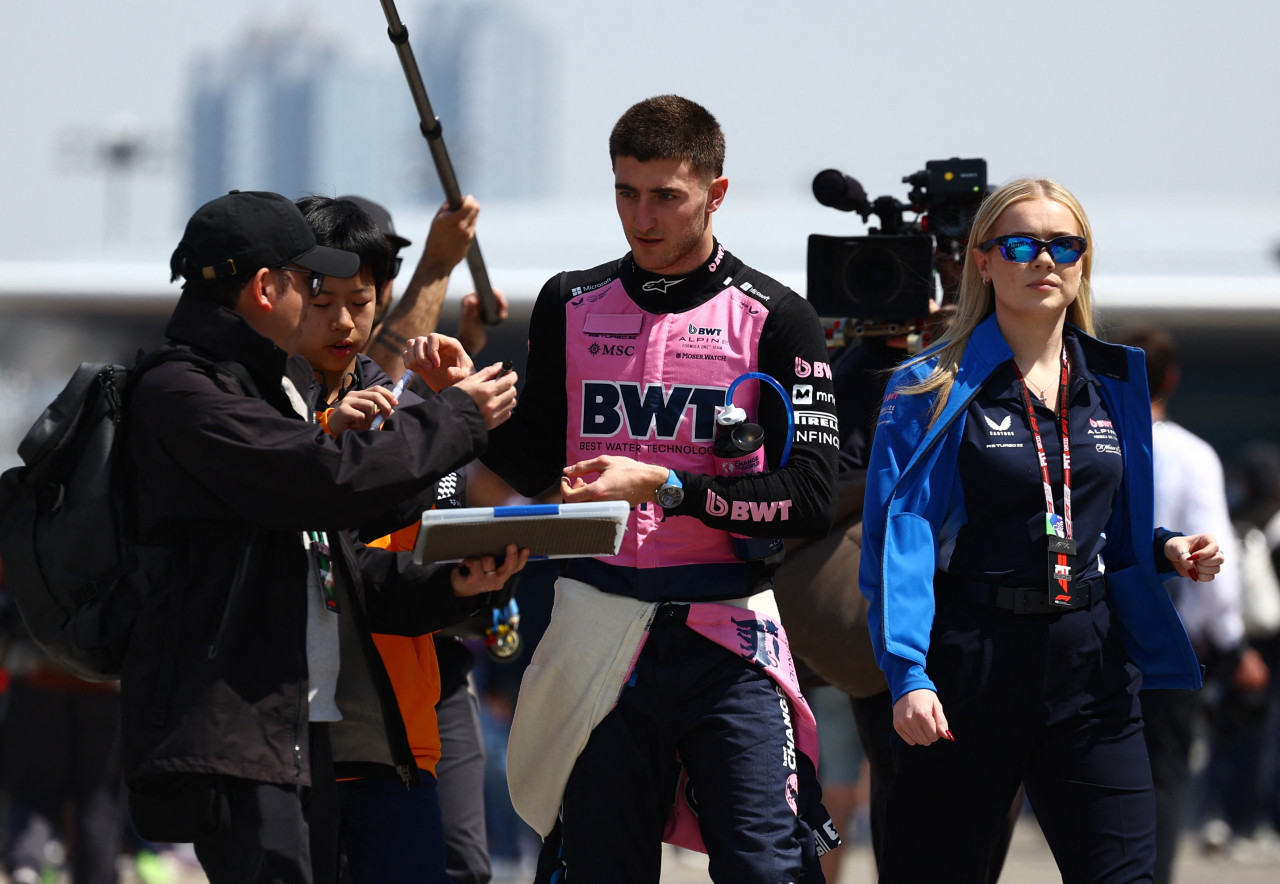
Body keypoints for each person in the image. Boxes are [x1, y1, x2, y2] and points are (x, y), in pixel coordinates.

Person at [416, 94, 841, 883]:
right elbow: (531, 458)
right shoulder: (571, 301)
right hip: (595, 629)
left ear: (715, 193)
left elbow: (810, 497)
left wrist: (667, 487)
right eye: (625, 192)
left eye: (665, 196)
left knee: (769, 868)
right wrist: (459, 408)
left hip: (728, 636)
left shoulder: (779, 318)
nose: (642, 217)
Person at [119, 190, 525, 884]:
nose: (330, 311)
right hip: (239, 733)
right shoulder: (187, 390)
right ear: (267, 286)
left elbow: (330, 565)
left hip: (303, 736)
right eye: (311, 286)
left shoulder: (263, 392)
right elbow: (323, 482)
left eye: (355, 297)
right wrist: (453, 419)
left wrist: (453, 584)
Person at [859, 177, 1225, 882]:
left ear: (1084, 261)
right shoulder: (927, 387)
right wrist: (907, 673)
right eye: (1021, 244)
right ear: (983, 261)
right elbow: (898, 538)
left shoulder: (1114, 384)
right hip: (970, 666)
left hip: (1091, 667)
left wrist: (1165, 548)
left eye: (1064, 245)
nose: (1044, 260)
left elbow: (1102, 527)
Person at [347, 192, 509, 884]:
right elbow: (382, 374)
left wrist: (461, 384)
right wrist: (439, 265)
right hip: (357, 678)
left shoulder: (423, 390)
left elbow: (486, 495)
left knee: (462, 868)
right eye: (338, 296)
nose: (353, 315)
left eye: (368, 292)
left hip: (437, 664)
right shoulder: (331, 396)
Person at [1116, 326, 1266, 883]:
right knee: (1162, 778)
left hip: (1094, 632)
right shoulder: (1193, 453)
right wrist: (1230, 643)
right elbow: (1212, 561)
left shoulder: (1091, 439)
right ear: (1173, 379)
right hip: (1169, 642)